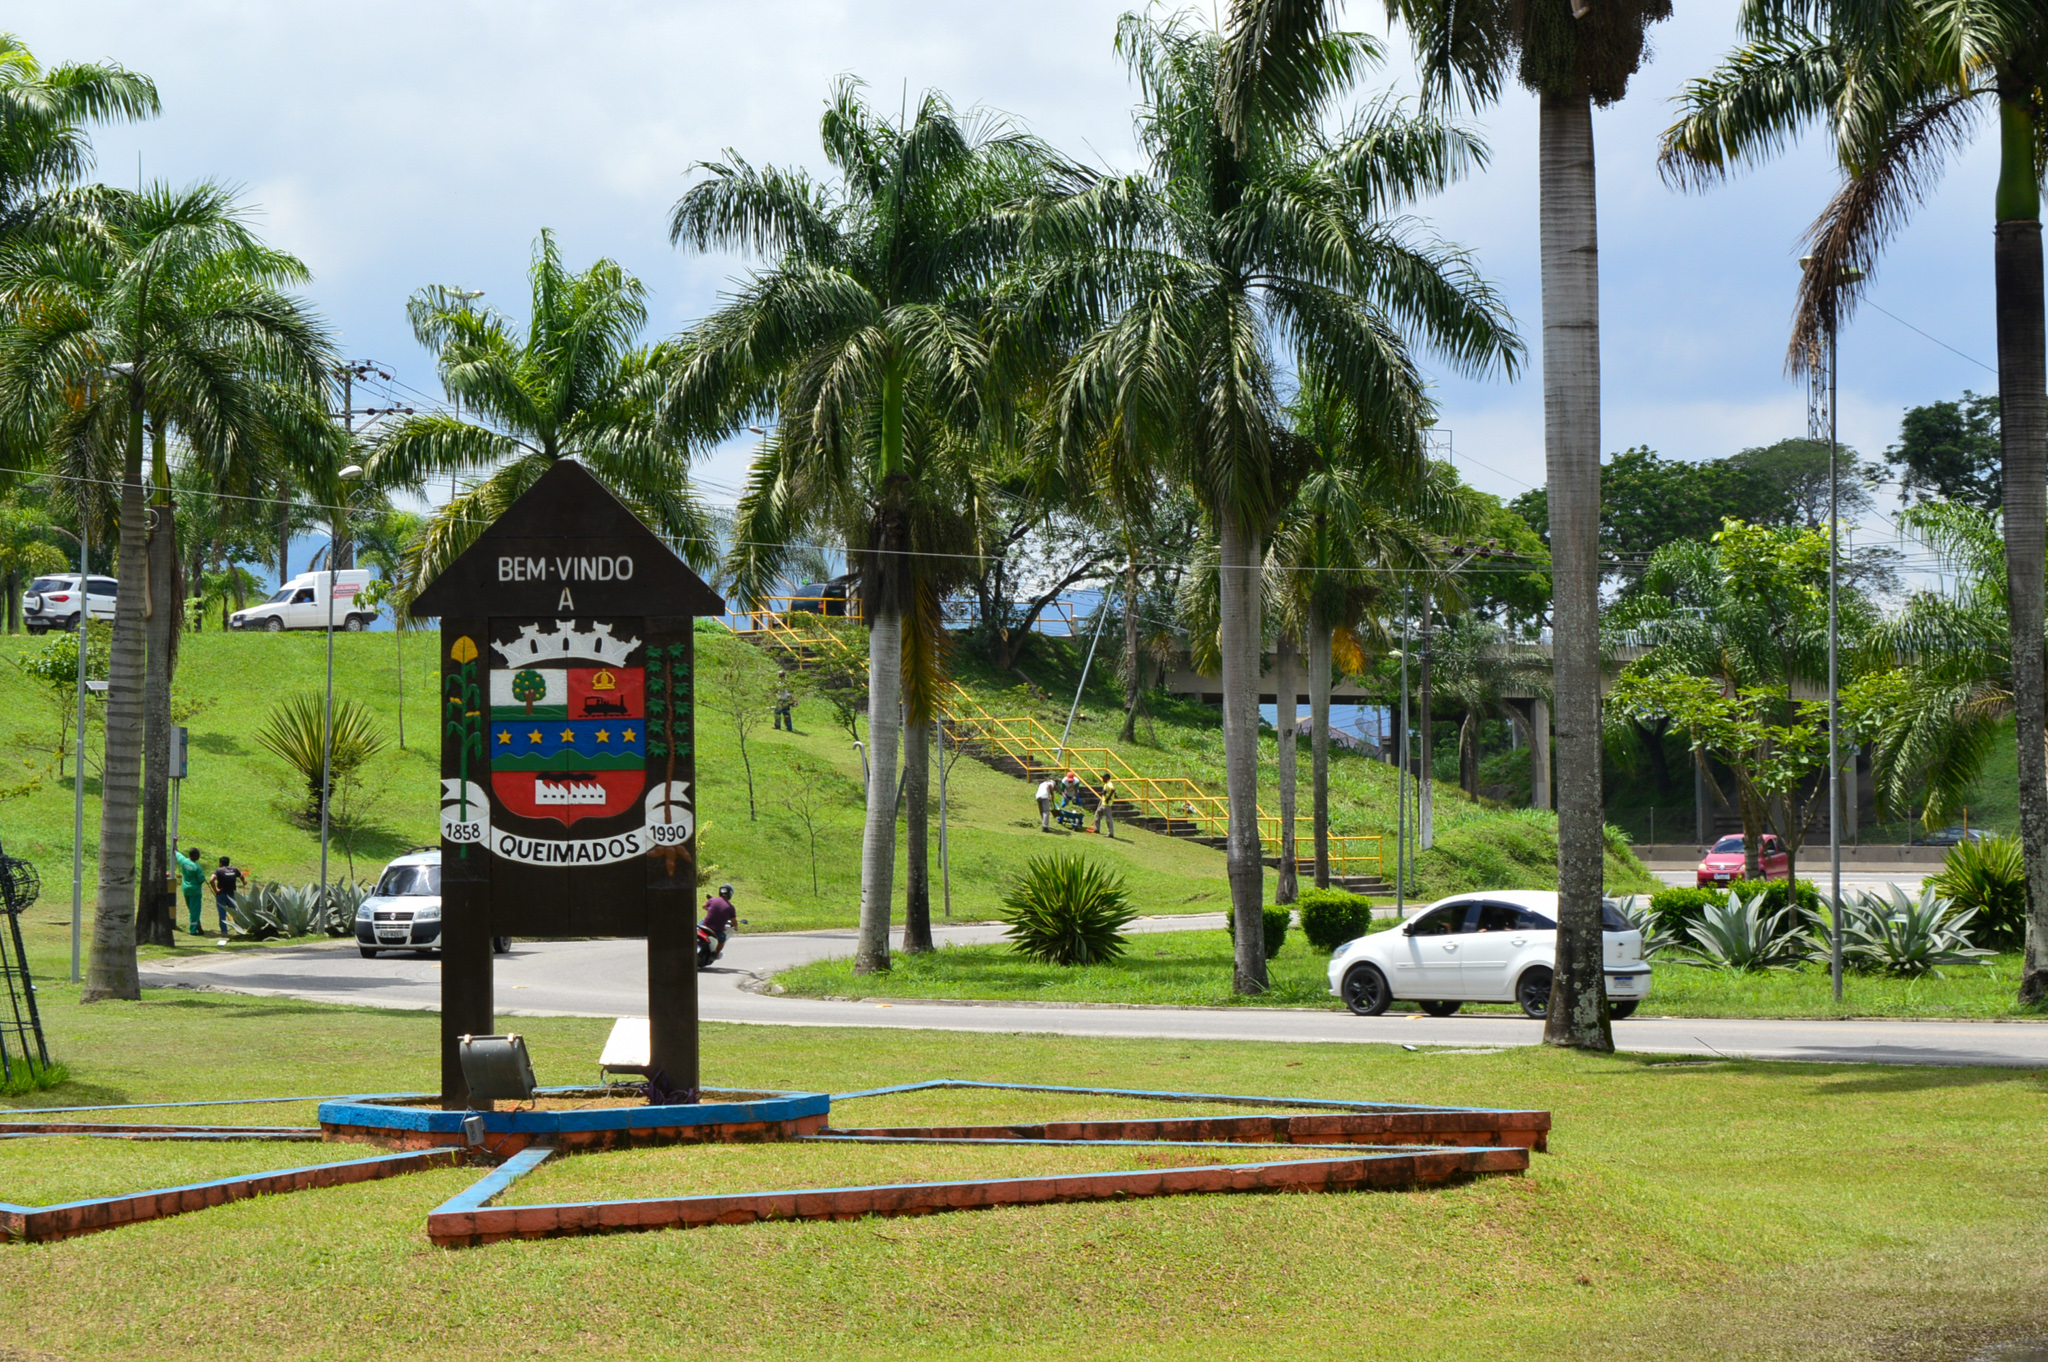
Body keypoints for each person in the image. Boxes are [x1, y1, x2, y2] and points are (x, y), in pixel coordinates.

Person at [209, 856, 246, 935]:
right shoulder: (234, 869)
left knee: (222, 915)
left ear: (221, 863)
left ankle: (224, 932)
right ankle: (240, 931)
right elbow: (242, 877)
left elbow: (211, 880)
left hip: (221, 895)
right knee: (235, 914)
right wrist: (244, 883)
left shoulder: (218, 870)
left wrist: (216, 890)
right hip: (232, 896)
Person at [174, 847, 207, 934]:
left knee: (192, 909)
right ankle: (193, 930)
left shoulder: (183, 861)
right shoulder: (197, 867)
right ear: (195, 856)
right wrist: (204, 878)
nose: (199, 856)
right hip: (195, 891)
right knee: (195, 910)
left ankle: (198, 926)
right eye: (198, 855)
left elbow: (176, 852)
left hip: (186, 890)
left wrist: (175, 842)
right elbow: (201, 879)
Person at [1095, 772, 1118, 839]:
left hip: (1107, 804)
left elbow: (1113, 789)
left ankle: (1110, 833)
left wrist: (1108, 797)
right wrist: (1103, 793)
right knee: (1098, 814)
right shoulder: (1105, 784)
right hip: (1103, 803)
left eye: (1103, 778)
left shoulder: (1109, 783)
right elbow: (1106, 791)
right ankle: (1097, 829)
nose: (1102, 779)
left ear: (1107, 778)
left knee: (1108, 818)